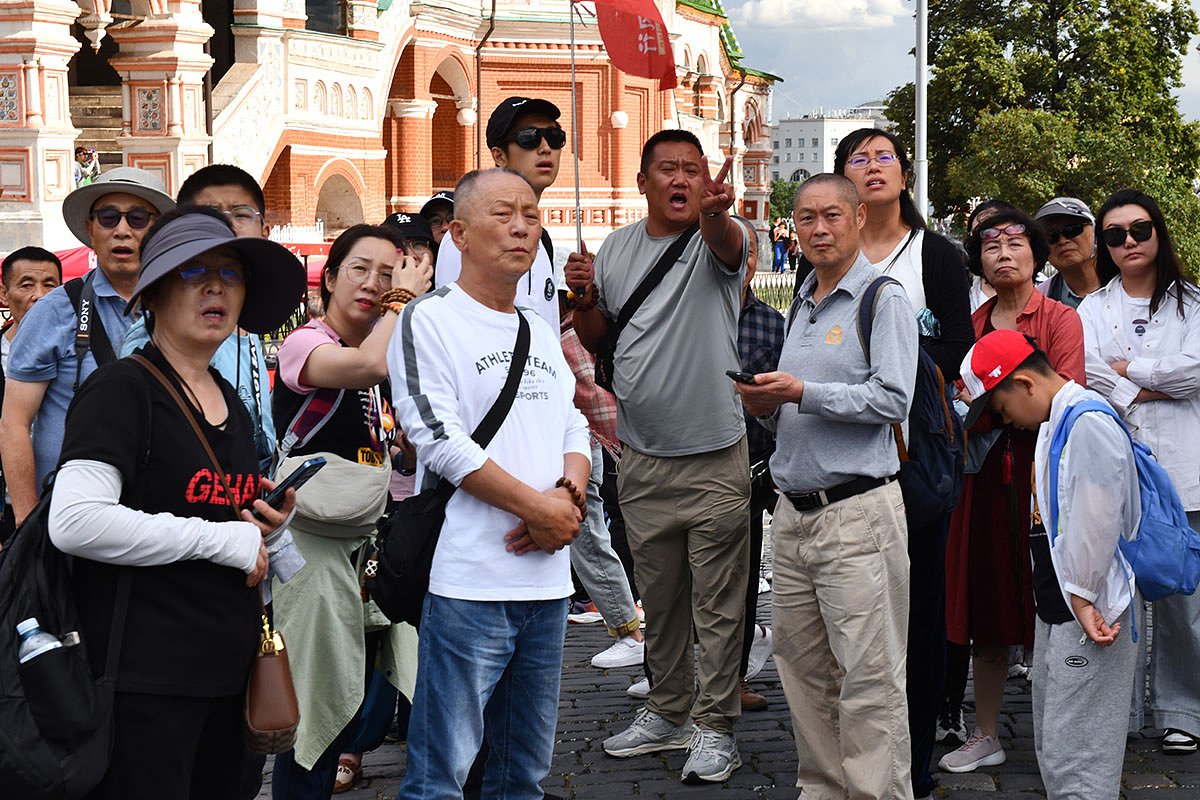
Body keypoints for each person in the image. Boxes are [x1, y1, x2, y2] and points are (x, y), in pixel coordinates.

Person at [46, 206, 303, 799]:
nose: (216, 287)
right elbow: (76, 521)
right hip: (146, 684)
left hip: (230, 676)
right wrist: (222, 540)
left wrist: (267, 528)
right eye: (193, 272)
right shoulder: (121, 389)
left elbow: (223, 521)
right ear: (155, 294)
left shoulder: (230, 402)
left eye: (231, 273)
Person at [389, 167, 589, 799]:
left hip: (548, 582)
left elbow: (572, 419)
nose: (522, 226)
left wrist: (567, 502)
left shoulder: (536, 323)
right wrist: (536, 507)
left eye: (531, 214)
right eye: (503, 214)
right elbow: (437, 439)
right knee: (440, 775)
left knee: (522, 772)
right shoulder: (430, 320)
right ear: (459, 234)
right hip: (470, 578)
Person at [569, 129, 750, 785]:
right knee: (663, 600)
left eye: (692, 170)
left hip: (715, 457)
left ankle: (716, 728)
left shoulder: (719, 237)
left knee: (720, 607)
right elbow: (597, 337)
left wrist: (719, 213)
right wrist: (585, 297)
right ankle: (668, 712)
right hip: (642, 459)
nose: (681, 179)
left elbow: (730, 247)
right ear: (643, 180)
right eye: (668, 169)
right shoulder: (615, 246)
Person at [736, 173, 917, 800]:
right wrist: (769, 404)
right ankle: (821, 789)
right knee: (803, 671)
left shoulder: (882, 298)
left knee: (869, 678)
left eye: (831, 216)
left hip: (857, 512)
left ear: (859, 218)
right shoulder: (803, 299)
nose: (817, 228)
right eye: (806, 217)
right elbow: (800, 404)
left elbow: (894, 398)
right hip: (792, 513)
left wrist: (802, 393)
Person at [830, 127, 973, 797]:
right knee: (855, 616)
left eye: (884, 155)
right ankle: (854, 755)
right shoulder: (825, 253)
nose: (872, 165)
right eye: (858, 158)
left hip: (914, 459)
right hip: (844, 461)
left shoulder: (935, 255)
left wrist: (891, 370)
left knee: (915, 614)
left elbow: (960, 348)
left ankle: (912, 762)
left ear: (904, 175)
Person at [269, 223, 431, 800]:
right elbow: (363, 368)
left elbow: (395, 442)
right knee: (315, 706)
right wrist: (403, 301)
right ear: (330, 279)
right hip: (311, 546)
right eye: (359, 270)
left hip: (365, 543)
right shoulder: (305, 342)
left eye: (388, 274)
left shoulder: (385, 352)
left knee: (358, 697)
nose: (374, 285)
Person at [959, 330, 1141, 800]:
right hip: (1067, 605)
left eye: (1001, 408)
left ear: (1023, 384)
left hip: (1090, 608)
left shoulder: (1085, 423)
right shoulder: (1058, 421)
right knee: (1060, 741)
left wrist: (1081, 598)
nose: (1005, 420)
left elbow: (1096, 523)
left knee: (1077, 752)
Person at [939, 206, 1085, 774]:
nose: (1003, 251)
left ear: (1035, 254)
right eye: (991, 244)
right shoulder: (970, 324)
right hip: (982, 480)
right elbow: (957, 403)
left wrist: (988, 404)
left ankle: (1065, 731)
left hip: (1046, 474)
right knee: (987, 607)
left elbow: (1066, 396)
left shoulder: (1058, 319)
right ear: (978, 261)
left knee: (1056, 603)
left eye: (1015, 241)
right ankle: (985, 730)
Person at [1078, 188, 1200, 754]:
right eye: (1114, 234)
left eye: (1139, 230)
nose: (1128, 241)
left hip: (1185, 468)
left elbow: (1196, 370)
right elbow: (1089, 372)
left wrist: (1130, 373)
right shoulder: (1092, 308)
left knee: (1183, 602)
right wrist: (1148, 385)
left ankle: (1183, 710)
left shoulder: (1192, 304)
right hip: (1115, 472)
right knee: (1116, 600)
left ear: (1159, 233)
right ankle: (1117, 713)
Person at [0, 167, 174, 526]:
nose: (122, 230)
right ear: (91, 229)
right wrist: (28, 524)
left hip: (163, 517)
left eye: (138, 218)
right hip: (70, 521)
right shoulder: (55, 310)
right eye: (108, 217)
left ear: (158, 231)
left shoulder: (181, 309)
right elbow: (15, 422)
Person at [121, 164, 279, 473]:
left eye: (241, 214)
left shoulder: (243, 323)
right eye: (210, 214)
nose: (227, 225)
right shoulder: (154, 339)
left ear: (264, 231)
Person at [435, 97, 562, 328]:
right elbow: (455, 330)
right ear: (499, 155)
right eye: (529, 138)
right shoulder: (468, 237)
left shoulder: (542, 242)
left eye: (555, 137)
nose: (545, 148)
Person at [731, 216, 782, 712]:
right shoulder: (688, 315)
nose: (740, 265)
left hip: (751, 462)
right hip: (694, 459)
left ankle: (738, 674)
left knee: (745, 575)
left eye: (748, 255)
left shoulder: (772, 321)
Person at [0, 247, 62, 538]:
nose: (40, 295)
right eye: (26, 285)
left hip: (62, 504)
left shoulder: (74, 355)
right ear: (4, 295)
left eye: (50, 285)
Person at [1035, 197, 1102, 309]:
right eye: (1051, 236)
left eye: (1073, 230)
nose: (1063, 241)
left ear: (1095, 234)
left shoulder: (1128, 283)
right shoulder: (1039, 300)